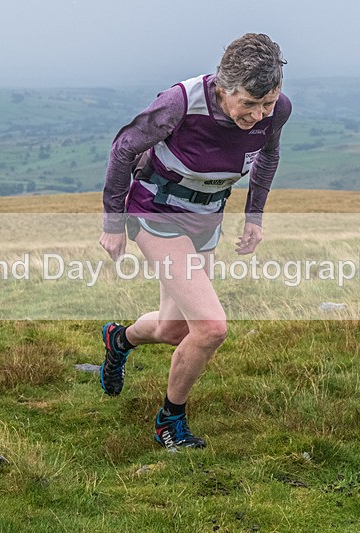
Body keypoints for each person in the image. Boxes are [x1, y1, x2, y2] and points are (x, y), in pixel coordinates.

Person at [98, 33, 291, 450]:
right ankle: (170, 421)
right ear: (223, 88)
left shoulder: (278, 112)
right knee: (210, 327)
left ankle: (119, 339)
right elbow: (123, 148)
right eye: (248, 104)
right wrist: (113, 222)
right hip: (156, 214)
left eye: (267, 104)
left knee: (174, 329)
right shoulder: (181, 102)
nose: (258, 115)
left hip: (205, 222)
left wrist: (254, 216)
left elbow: (268, 156)